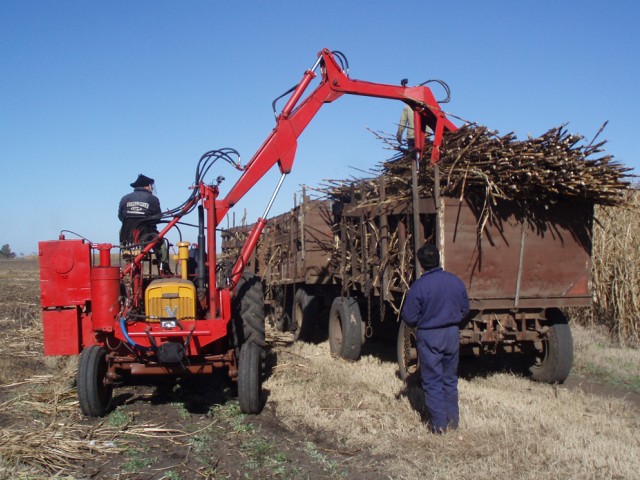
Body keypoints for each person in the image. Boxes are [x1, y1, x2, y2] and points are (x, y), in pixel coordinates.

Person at [401, 244, 469, 433]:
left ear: (421, 264)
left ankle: (439, 427)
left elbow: (409, 316)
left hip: (430, 335)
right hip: (451, 334)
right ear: (439, 259)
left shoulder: (420, 286)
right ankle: (453, 423)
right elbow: (465, 309)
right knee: (450, 380)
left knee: (432, 381)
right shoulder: (455, 281)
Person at [118, 174, 171, 273]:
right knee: (162, 243)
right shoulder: (153, 199)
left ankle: (126, 254)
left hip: (127, 234)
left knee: (121, 231)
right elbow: (158, 217)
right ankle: (164, 266)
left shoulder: (125, 198)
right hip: (146, 234)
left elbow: (121, 217)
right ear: (146, 186)